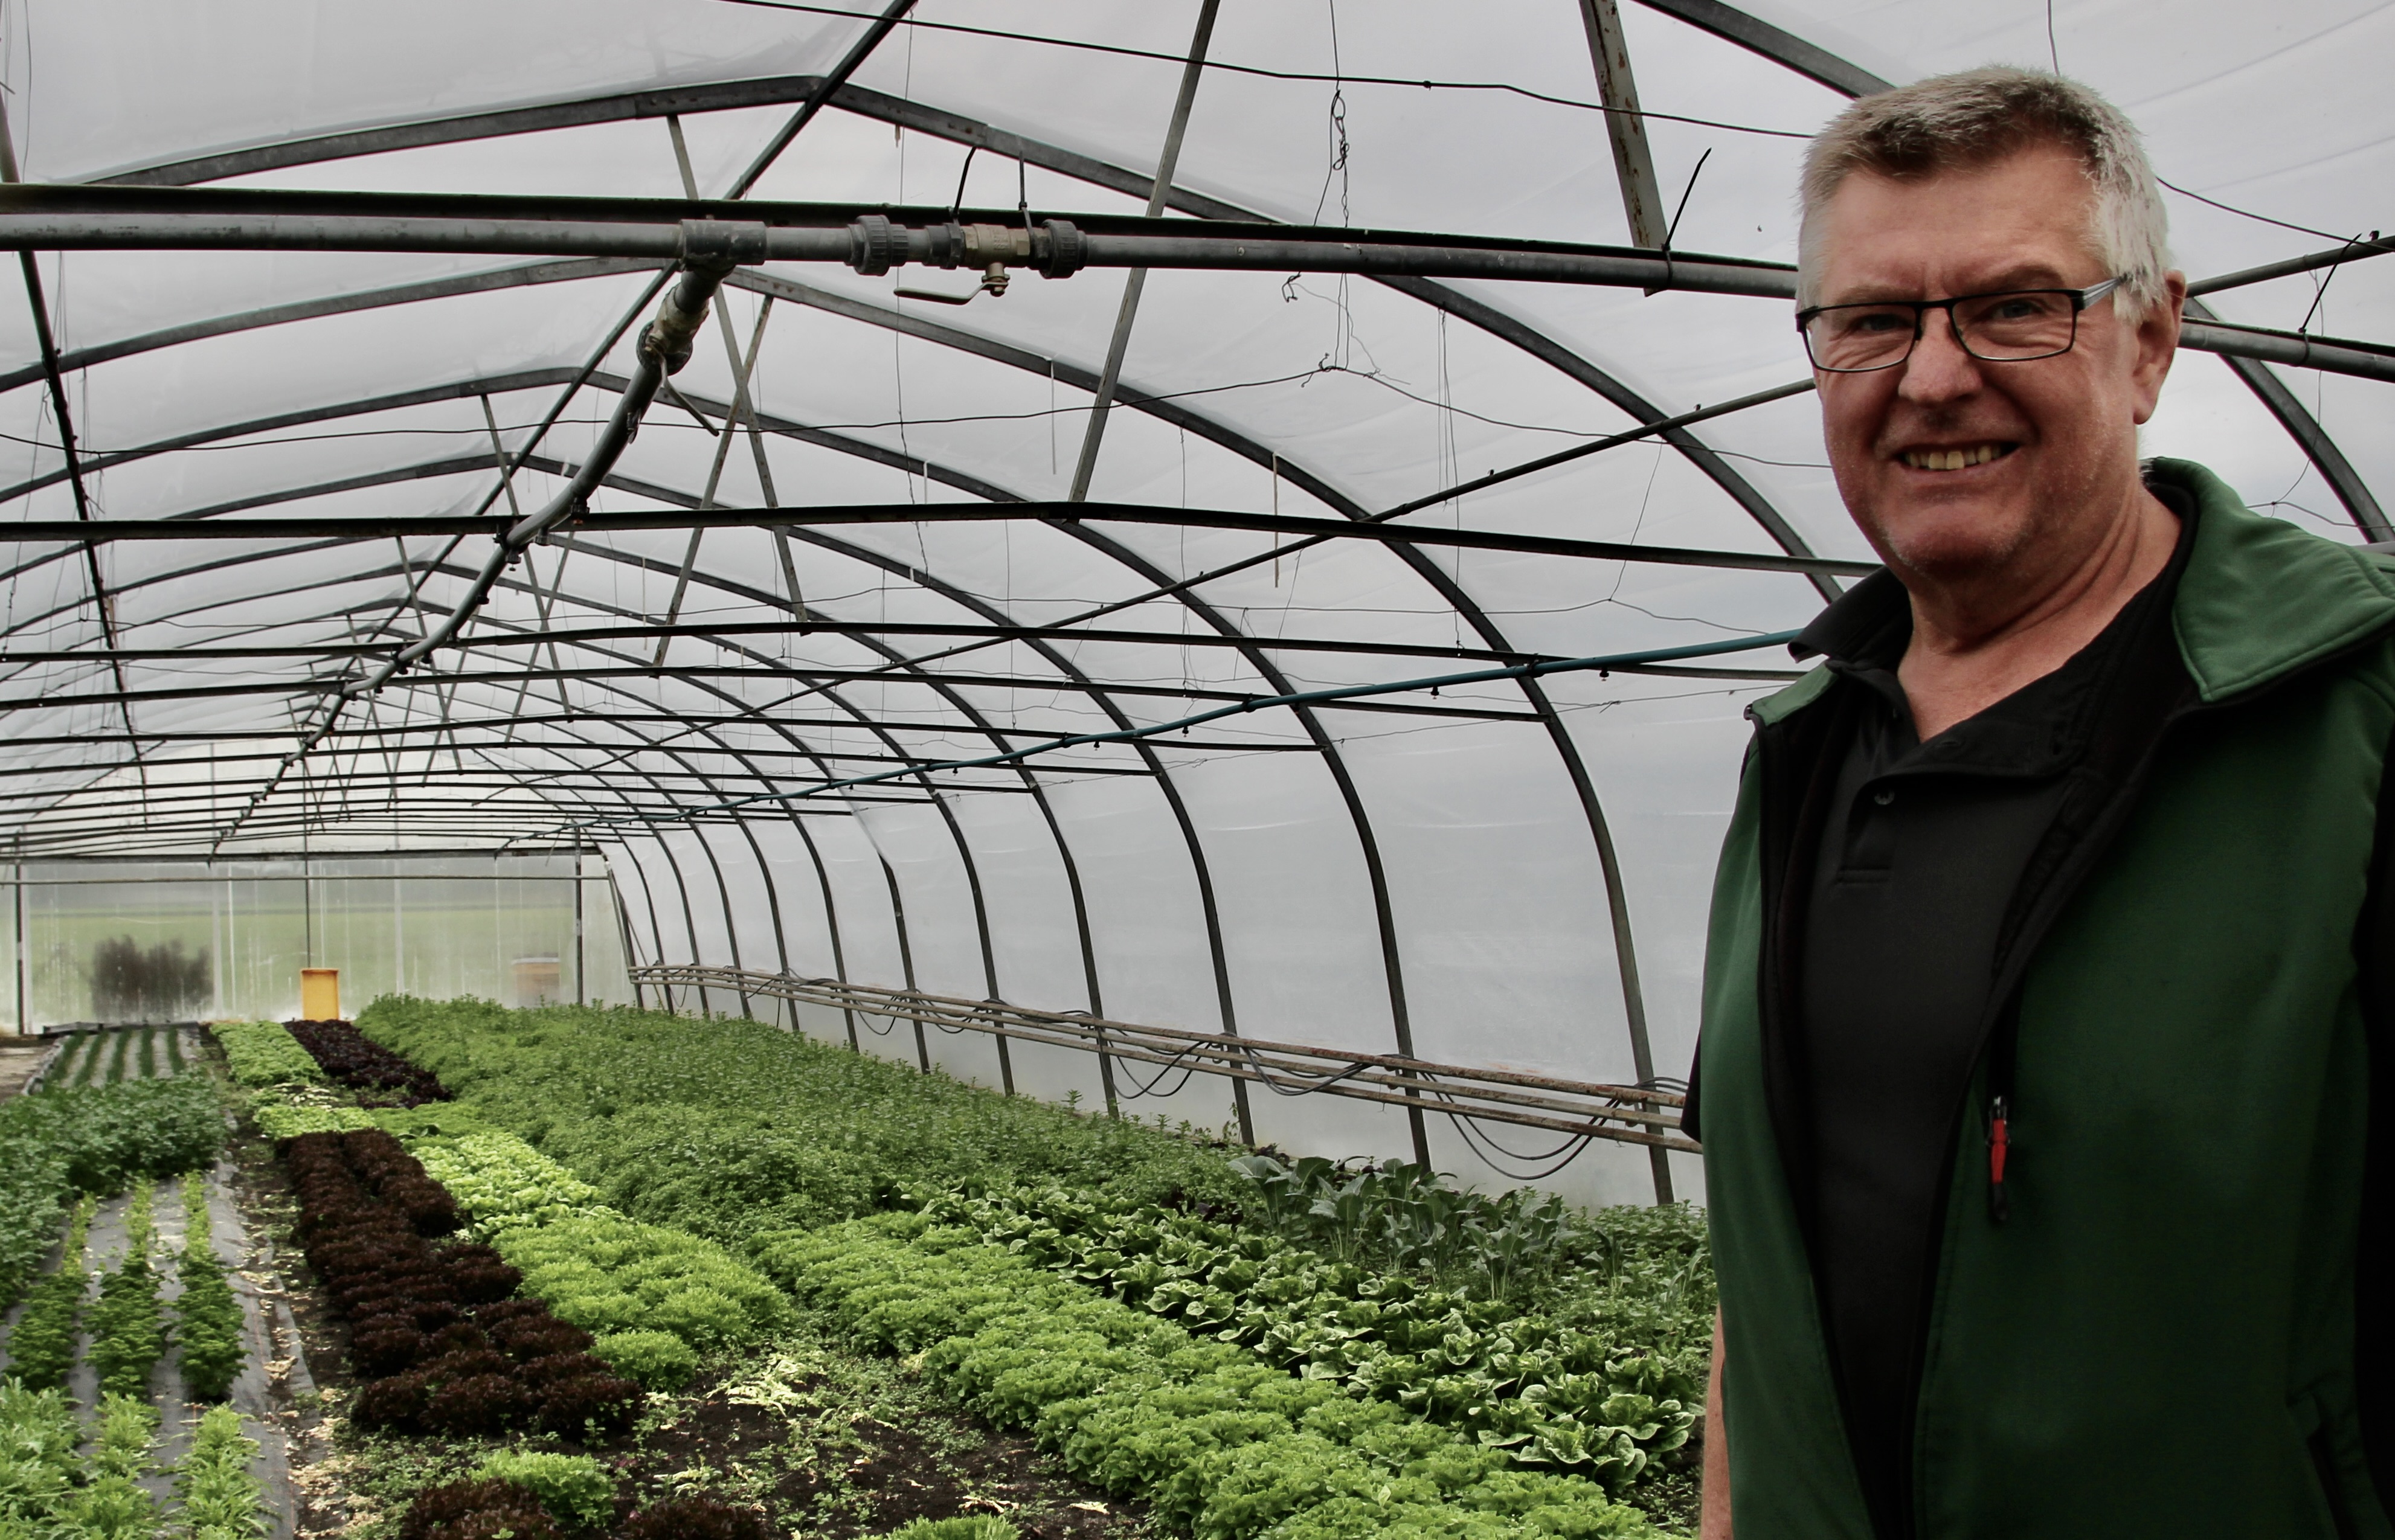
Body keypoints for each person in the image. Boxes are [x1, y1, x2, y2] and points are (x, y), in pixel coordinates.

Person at [1681, 66, 2392, 1539]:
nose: (1935, 378)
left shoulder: (2354, 711)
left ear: (2151, 340)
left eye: (2015, 305)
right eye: (1874, 321)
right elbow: (1761, 1291)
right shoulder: (1804, 749)